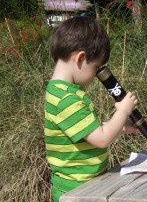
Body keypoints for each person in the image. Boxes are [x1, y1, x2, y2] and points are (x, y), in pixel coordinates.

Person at [44, 17, 139, 202]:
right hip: (77, 191)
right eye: (96, 67)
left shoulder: (62, 91)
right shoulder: (66, 98)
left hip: (85, 185)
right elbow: (102, 139)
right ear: (80, 58)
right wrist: (123, 111)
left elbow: (85, 130)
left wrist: (119, 127)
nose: (97, 74)